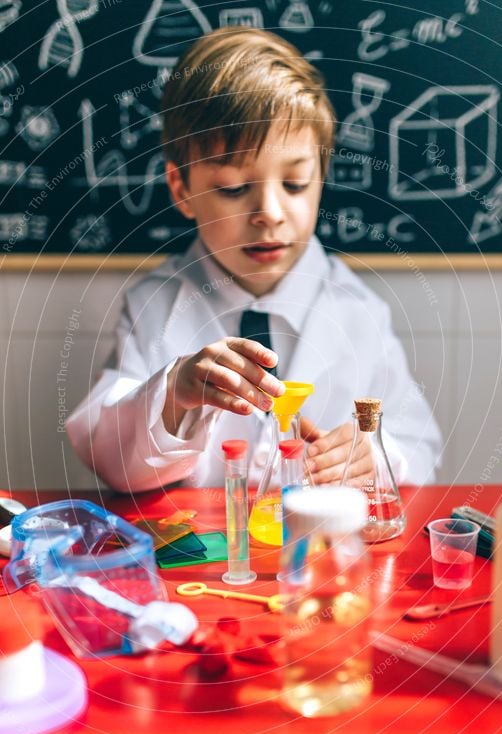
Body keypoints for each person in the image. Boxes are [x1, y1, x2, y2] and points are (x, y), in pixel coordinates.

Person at [67, 27, 441, 493]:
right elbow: (110, 459)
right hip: (203, 556)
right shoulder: (154, 306)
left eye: (296, 184)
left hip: (320, 554)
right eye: (232, 188)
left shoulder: (358, 309)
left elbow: (420, 447)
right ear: (182, 189)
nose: (269, 213)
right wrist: (173, 395)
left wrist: (379, 458)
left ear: (321, 178)